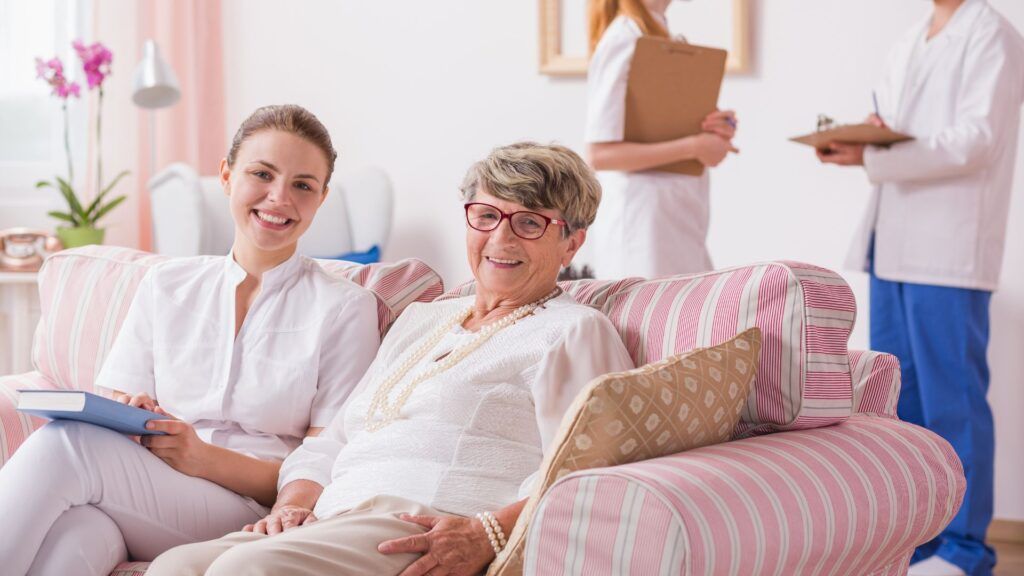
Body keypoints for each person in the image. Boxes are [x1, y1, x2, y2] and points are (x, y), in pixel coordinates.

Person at [147, 142, 636, 576]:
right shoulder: (422, 319)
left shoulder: (573, 331)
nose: (500, 240)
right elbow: (335, 437)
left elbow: (586, 471)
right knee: (174, 567)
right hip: (337, 519)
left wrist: (488, 532)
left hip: (424, 520)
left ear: (571, 241)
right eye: (486, 215)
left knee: (246, 570)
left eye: (530, 223)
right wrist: (292, 506)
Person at [0, 105, 380, 575]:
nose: (279, 197)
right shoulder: (167, 284)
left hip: (247, 508)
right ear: (226, 176)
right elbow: (122, 399)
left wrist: (202, 457)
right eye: (262, 173)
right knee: (79, 530)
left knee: (66, 446)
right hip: (149, 489)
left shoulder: (345, 308)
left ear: (320, 199)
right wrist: (135, 411)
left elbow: (325, 461)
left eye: (302, 185)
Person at [816, 2, 1024, 575]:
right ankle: (920, 540)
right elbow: (892, 128)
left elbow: (975, 140)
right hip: (894, 243)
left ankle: (965, 549)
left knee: (954, 399)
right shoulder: (912, 39)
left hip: (949, 248)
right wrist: (860, 141)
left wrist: (877, 153)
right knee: (897, 405)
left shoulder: (994, 37)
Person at [584, 0, 738, 279]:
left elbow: (660, 126)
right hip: (642, 230)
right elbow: (600, 154)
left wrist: (713, 130)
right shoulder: (624, 38)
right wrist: (695, 146)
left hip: (672, 222)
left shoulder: (658, 36)